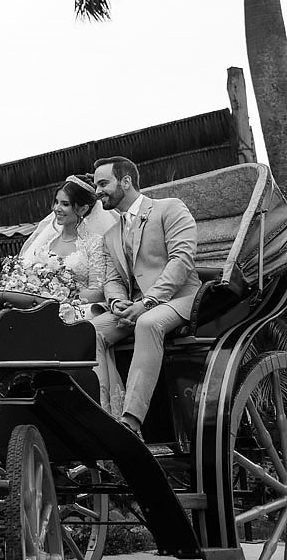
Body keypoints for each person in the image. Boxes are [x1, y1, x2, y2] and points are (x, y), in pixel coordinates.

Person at [90, 156, 201, 437]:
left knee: (148, 323)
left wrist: (147, 302)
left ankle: (131, 422)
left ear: (126, 181)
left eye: (103, 183)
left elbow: (181, 261)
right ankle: (107, 415)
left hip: (181, 298)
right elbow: (112, 279)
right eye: (96, 185)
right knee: (88, 331)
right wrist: (117, 303)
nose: (97, 191)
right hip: (134, 306)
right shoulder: (110, 234)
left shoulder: (170, 208)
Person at [15, 174, 124, 414]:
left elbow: (98, 289)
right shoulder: (45, 245)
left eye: (64, 204)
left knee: (75, 328)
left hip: (82, 308)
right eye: (56, 202)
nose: (57, 209)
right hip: (48, 307)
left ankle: (95, 408)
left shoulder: (94, 243)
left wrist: (67, 296)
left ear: (83, 208)